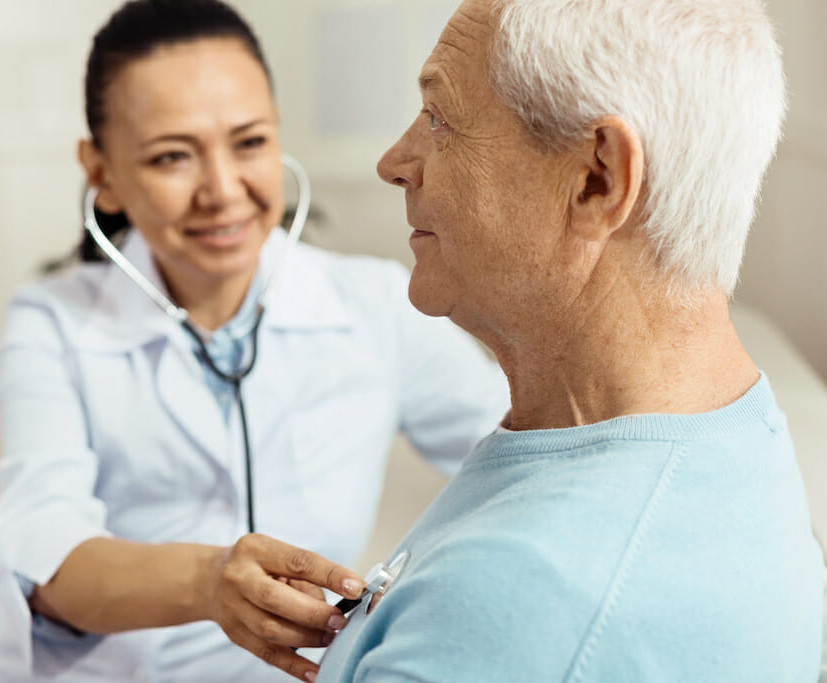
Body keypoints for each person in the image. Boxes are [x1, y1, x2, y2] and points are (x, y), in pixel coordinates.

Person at [0, 1, 510, 682]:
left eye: (248, 143)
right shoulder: (52, 322)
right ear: (101, 173)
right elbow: (44, 553)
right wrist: (209, 581)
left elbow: (512, 460)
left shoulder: (374, 307)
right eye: (171, 156)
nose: (222, 190)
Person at [318, 0, 824, 680]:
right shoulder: (732, 418)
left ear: (597, 179)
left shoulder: (519, 608)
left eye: (440, 119)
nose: (395, 161)